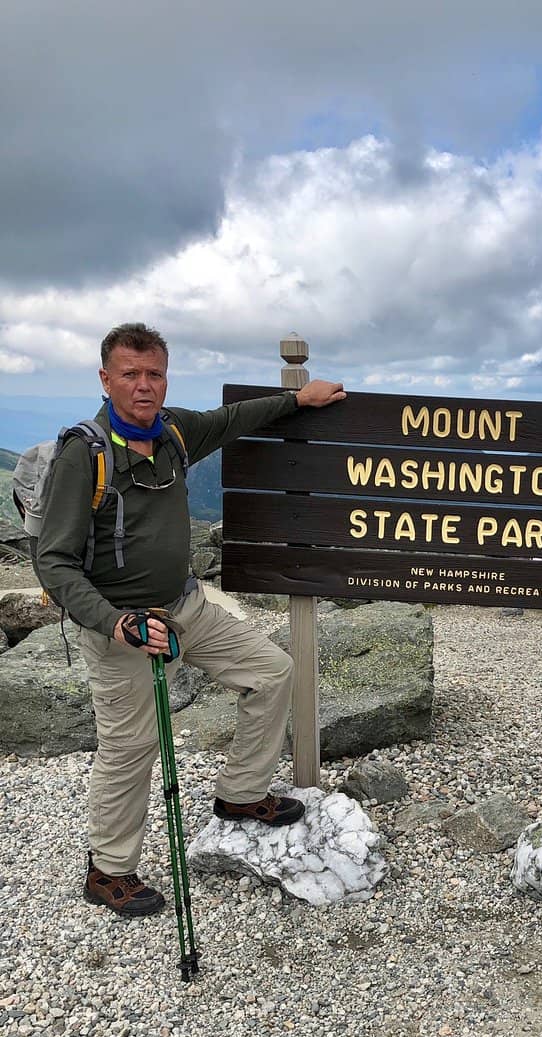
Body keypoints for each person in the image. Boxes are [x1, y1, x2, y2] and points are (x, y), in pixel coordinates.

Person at [36, 322, 346, 918]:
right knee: (132, 746)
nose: (144, 386)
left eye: (154, 373)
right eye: (130, 374)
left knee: (272, 671)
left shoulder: (173, 432)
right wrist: (114, 623)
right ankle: (109, 869)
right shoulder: (86, 454)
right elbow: (53, 561)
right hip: (121, 625)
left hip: (186, 607)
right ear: (106, 379)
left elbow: (231, 421)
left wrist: (296, 400)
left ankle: (239, 795)